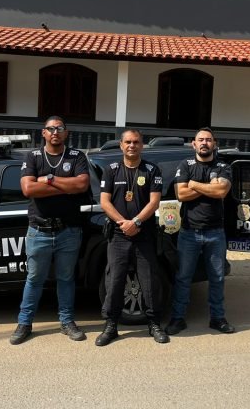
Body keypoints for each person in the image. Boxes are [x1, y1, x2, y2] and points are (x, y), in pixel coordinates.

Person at [9, 116, 91, 345]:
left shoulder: (77, 157)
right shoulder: (32, 157)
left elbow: (82, 185)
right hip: (39, 231)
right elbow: (28, 188)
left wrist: (49, 180)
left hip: (69, 231)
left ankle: (67, 322)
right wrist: (65, 186)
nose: (55, 132)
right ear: (43, 133)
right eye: (51, 129)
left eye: (60, 128)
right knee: (34, 279)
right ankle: (24, 323)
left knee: (66, 278)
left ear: (66, 133)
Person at [96, 128, 169, 346]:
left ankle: (154, 324)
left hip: (143, 234)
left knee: (148, 281)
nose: (132, 146)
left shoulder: (151, 170)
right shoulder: (111, 170)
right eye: (127, 142)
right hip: (118, 236)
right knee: (115, 281)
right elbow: (105, 202)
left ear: (142, 145)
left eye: (136, 142)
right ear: (121, 145)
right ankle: (111, 326)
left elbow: (154, 201)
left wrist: (136, 222)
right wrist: (123, 223)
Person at [166, 127, 235, 336]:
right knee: (183, 277)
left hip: (216, 233)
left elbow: (222, 191)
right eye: (200, 140)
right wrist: (207, 187)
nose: (204, 143)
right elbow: (181, 194)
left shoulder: (223, 166)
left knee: (217, 278)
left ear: (214, 144)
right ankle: (178, 319)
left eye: (208, 139)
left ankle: (217, 319)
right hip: (189, 232)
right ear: (194, 144)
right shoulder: (185, 165)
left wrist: (194, 184)